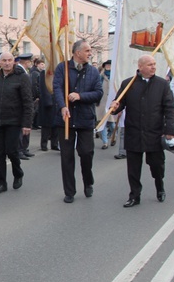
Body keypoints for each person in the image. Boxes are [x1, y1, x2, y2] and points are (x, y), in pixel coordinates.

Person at [109, 54, 174, 207]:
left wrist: (169, 130)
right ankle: (134, 195)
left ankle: (160, 187)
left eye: (154, 64)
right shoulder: (128, 84)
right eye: (150, 64)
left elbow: (170, 109)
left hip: (154, 133)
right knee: (133, 168)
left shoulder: (162, 85)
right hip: (134, 132)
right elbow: (118, 104)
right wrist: (114, 107)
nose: (153, 67)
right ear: (140, 67)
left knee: (157, 166)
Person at [53, 40, 103, 203]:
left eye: (90, 51)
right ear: (77, 52)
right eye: (87, 50)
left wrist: (80, 96)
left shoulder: (93, 72)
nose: (90, 53)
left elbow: (98, 93)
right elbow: (57, 88)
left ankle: (88, 182)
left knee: (86, 153)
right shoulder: (63, 68)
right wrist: (62, 106)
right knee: (66, 156)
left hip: (85, 118)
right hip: (66, 119)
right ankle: (69, 191)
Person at [0, 51, 32, 194]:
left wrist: (27, 123)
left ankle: (18, 173)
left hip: (14, 121)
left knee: (12, 151)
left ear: (14, 61)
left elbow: (27, 102)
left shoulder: (22, 78)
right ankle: (1, 182)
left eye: (10, 60)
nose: (7, 63)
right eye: (4, 60)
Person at [16, 53, 36, 159]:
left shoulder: (25, 72)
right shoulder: (19, 72)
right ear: (27, 62)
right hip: (21, 105)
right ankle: (19, 149)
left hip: (27, 104)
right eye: (30, 62)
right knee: (22, 128)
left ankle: (24, 148)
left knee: (26, 126)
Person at [36, 58, 58, 151]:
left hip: (56, 102)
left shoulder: (57, 72)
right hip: (47, 103)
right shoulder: (43, 73)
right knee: (46, 125)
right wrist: (48, 101)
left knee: (56, 125)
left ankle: (54, 144)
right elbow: (43, 88)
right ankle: (44, 144)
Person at [97, 60, 115, 149]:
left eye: (109, 65)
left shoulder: (115, 77)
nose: (108, 66)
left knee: (112, 124)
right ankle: (105, 142)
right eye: (106, 65)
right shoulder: (100, 76)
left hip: (112, 102)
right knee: (102, 122)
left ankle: (112, 134)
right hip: (102, 102)